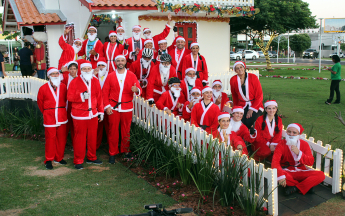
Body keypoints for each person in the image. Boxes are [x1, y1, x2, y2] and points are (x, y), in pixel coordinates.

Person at [102, 55, 142, 163]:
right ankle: (112, 153)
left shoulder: (131, 75)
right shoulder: (110, 76)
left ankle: (126, 150)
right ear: (115, 62)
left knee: (126, 130)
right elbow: (105, 92)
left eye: (122, 60)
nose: (120, 62)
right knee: (113, 131)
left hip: (127, 107)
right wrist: (107, 106)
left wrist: (136, 90)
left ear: (125, 62)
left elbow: (139, 89)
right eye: (118, 61)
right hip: (113, 107)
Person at [67, 60, 104, 170]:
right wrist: (81, 97)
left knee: (93, 137)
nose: (87, 70)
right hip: (79, 114)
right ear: (81, 70)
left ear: (91, 69)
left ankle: (91, 157)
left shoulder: (95, 81)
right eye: (84, 69)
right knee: (80, 138)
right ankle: (78, 160)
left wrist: (101, 111)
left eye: (88, 68)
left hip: (92, 113)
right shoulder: (74, 81)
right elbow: (69, 97)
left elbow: (99, 97)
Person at [272, 123, 325, 196]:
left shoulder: (304, 144)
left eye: (294, 132)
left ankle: (295, 188)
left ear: (299, 134)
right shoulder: (281, 144)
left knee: (321, 175)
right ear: (286, 132)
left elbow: (310, 162)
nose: (291, 134)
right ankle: (306, 186)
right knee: (280, 177)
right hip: (287, 172)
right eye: (289, 132)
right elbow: (275, 162)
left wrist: (299, 153)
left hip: (301, 171)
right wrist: (281, 175)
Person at [37, 67, 68, 169]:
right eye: (53, 74)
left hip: (61, 115)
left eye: (56, 73)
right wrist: (47, 112)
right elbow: (40, 103)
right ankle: (49, 159)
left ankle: (59, 157)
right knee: (50, 139)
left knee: (62, 138)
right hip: (49, 116)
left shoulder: (63, 87)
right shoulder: (43, 88)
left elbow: (66, 101)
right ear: (49, 76)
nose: (55, 75)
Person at [230, 61, 263, 129]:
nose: (239, 69)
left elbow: (259, 95)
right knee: (240, 121)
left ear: (244, 67)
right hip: (242, 105)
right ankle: (242, 137)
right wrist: (236, 108)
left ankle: (249, 135)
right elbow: (234, 95)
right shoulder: (233, 80)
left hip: (256, 104)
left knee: (248, 121)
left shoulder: (253, 77)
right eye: (237, 68)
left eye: (241, 67)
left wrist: (252, 109)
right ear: (235, 70)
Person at [94, 58, 110, 150]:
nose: (100, 67)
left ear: (106, 66)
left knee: (109, 126)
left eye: (102, 65)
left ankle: (109, 144)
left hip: (107, 104)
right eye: (99, 65)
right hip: (97, 105)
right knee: (98, 126)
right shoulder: (93, 75)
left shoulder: (110, 75)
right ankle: (96, 145)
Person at [61, 61, 78, 148]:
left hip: (76, 103)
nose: (72, 71)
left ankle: (75, 144)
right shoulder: (65, 77)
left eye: (74, 69)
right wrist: (61, 70)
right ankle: (63, 144)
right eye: (70, 69)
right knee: (66, 125)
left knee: (75, 126)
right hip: (67, 103)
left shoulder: (80, 78)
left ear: (77, 70)